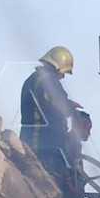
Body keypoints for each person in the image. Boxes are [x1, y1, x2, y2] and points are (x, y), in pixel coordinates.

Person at [20, 46, 80, 184]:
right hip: (44, 147)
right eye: (63, 72)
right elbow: (57, 103)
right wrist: (71, 109)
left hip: (34, 143)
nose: (63, 76)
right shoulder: (48, 80)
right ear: (58, 67)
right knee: (53, 187)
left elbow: (47, 102)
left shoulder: (34, 79)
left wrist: (69, 103)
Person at [63, 110, 93, 198]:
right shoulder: (70, 142)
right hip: (68, 194)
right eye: (88, 129)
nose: (89, 133)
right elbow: (66, 166)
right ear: (81, 125)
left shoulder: (75, 143)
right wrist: (70, 185)